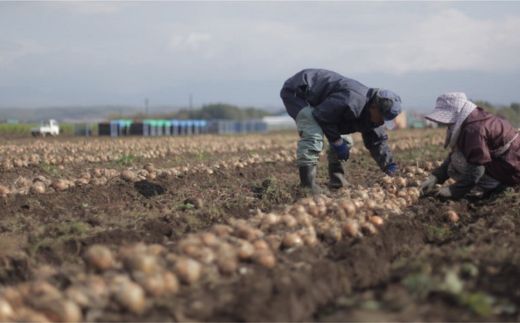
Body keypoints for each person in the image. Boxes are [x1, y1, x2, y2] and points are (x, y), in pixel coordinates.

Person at [280, 68, 402, 191]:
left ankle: (337, 178)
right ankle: (307, 186)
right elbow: (322, 116)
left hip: (324, 103)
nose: (382, 122)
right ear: (374, 107)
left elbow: (377, 141)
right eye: (382, 118)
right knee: (313, 135)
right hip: (299, 92)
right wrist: (337, 141)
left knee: (345, 141)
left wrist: (389, 165)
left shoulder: (373, 116)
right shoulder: (351, 101)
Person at [420, 92, 520, 199]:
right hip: (508, 161)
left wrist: (453, 191)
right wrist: (435, 177)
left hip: (512, 170)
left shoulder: (473, 130)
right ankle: (491, 183)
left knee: (458, 162)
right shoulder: (474, 118)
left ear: (456, 113)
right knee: (457, 158)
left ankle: (494, 185)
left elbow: (477, 169)